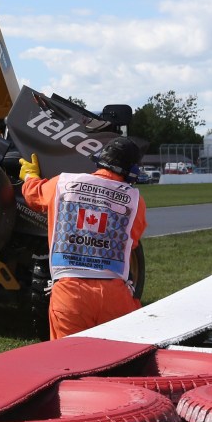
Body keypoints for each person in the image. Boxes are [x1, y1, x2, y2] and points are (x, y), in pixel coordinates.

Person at [18, 136, 147, 340]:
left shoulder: (63, 183)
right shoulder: (135, 200)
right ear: (132, 170)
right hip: (114, 293)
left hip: (69, 293)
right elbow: (133, 241)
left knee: (69, 357)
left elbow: (33, 195)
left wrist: (30, 175)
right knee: (119, 357)